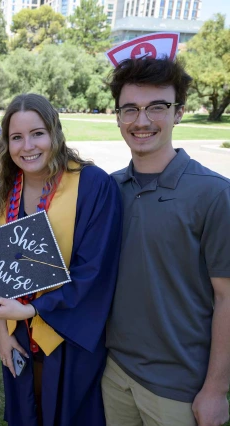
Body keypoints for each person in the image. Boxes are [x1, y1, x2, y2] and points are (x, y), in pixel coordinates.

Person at [103, 57, 230, 426]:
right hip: (113, 373)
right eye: (130, 109)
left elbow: (226, 297)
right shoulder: (108, 189)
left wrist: (216, 390)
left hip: (180, 388)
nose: (141, 121)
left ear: (179, 113)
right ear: (118, 117)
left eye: (157, 107)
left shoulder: (214, 194)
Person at [0, 93, 123, 426]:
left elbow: (94, 270)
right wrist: (4, 331)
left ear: (55, 133)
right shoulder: (2, 191)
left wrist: (33, 310)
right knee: (27, 412)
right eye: (16, 137)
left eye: (37, 133)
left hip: (71, 333)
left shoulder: (92, 185)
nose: (27, 146)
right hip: (18, 333)